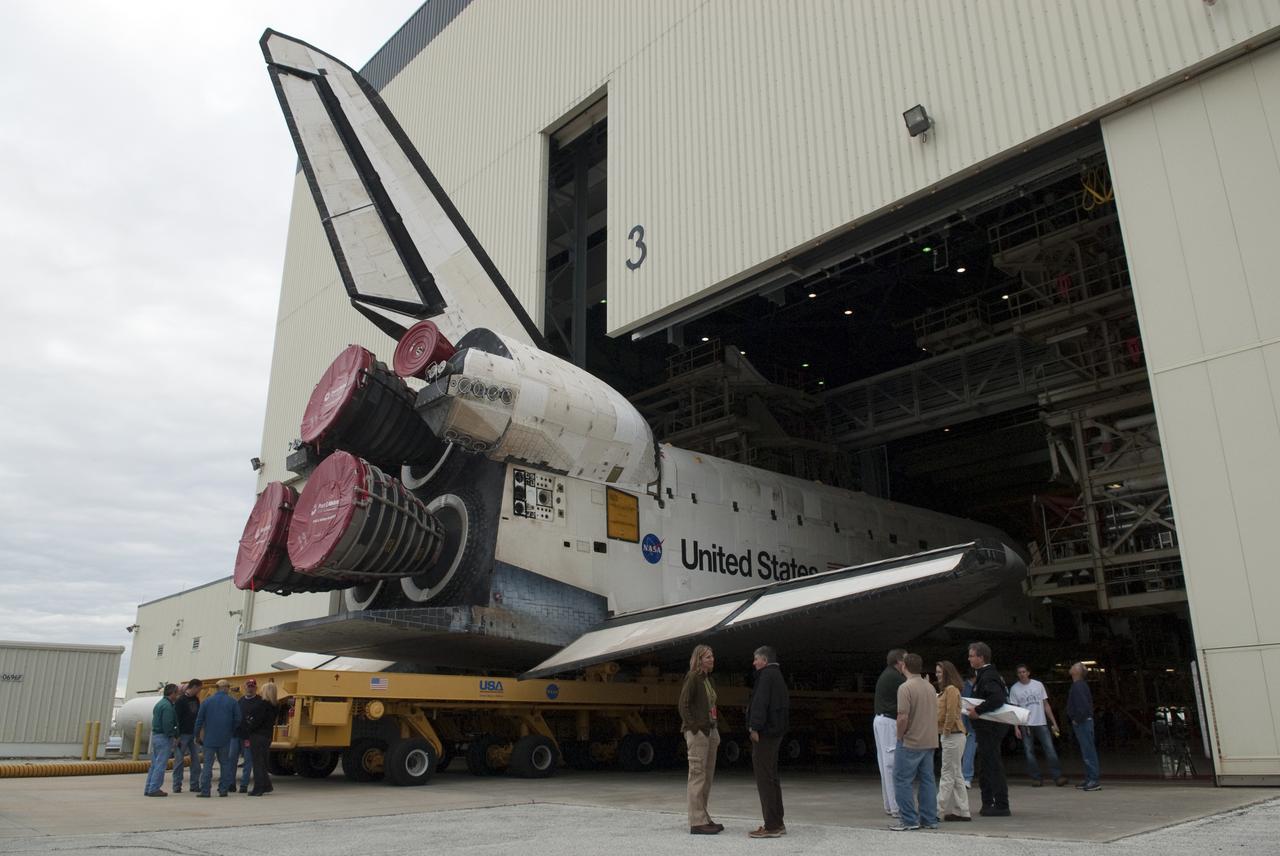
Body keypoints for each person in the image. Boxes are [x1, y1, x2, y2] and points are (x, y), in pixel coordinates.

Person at [890, 653, 939, 831]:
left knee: (901, 779)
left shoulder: (905, 688)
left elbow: (902, 716)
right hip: (930, 739)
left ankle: (909, 819)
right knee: (927, 780)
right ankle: (929, 818)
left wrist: (899, 735)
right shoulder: (930, 687)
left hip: (911, 740)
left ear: (904, 666)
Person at [678, 644, 722, 835]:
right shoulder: (693, 677)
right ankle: (696, 821)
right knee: (697, 775)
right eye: (707, 657)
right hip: (699, 733)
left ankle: (703, 816)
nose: (711, 659)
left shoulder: (708, 680)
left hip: (711, 731)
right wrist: (694, 727)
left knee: (707, 777)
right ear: (698, 660)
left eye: (712, 656)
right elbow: (683, 704)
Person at [746, 645, 790, 839]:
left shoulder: (765, 676)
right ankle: (778, 821)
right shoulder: (778, 675)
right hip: (776, 732)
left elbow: (760, 703)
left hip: (766, 734)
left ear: (764, 660)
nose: (754, 663)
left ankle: (771, 825)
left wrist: (754, 727)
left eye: (756, 659)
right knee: (772, 777)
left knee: (764, 779)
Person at [963, 641, 1011, 817]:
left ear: (981, 657)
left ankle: (1000, 804)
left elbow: (997, 698)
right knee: (987, 766)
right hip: (986, 730)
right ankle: (990, 802)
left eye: (972, 655)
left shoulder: (988, 676)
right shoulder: (985, 675)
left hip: (989, 729)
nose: (969, 659)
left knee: (992, 766)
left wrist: (978, 710)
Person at [1009, 664, 1067, 787]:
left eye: (1024, 672)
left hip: (1041, 722)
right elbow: (1015, 710)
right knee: (1029, 752)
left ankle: (1057, 776)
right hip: (1026, 724)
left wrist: (1054, 722)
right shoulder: (1014, 689)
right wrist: (1016, 727)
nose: (1022, 674)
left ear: (1028, 673)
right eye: (1019, 672)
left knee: (1050, 749)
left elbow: (1046, 704)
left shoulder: (1038, 685)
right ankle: (1036, 778)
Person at [193, 678, 242, 797]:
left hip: (209, 738)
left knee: (207, 765)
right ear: (227, 688)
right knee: (225, 764)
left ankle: (205, 791)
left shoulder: (207, 701)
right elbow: (238, 719)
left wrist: (197, 735)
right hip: (225, 738)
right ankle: (223, 789)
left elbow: (199, 720)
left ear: (217, 688)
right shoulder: (233, 702)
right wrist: (231, 730)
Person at [873, 648, 907, 817]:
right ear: (899, 662)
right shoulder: (896, 678)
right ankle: (896, 806)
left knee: (884, 763)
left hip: (881, 720)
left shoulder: (887, 675)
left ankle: (889, 804)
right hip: (889, 722)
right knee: (891, 764)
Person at [935, 660, 970, 822]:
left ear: (947, 674)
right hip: (955, 735)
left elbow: (950, 713)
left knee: (947, 774)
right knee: (956, 774)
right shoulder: (950, 690)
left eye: (940, 672)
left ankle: (937, 810)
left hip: (952, 735)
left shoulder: (950, 690)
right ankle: (962, 810)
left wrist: (945, 731)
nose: (937, 674)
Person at [1067, 662, 1102, 791]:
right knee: (1086, 750)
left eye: (1074, 666)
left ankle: (1093, 779)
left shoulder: (1078, 686)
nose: (1071, 667)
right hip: (1083, 722)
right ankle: (1089, 777)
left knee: (1088, 751)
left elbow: (1083, 706)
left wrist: (1077, 719)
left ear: (1078, 671)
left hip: (1083, 722)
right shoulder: (1079, 685)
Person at [143, 683, 180, 797]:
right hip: (163, 737)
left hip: (156, 736)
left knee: (154, 764)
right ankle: (154, 788)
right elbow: (168, 724)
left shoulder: (160, 704)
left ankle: (149, 787)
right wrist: (173, 735)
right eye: (176, 693)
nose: (177, 695)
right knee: (161, 764)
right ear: (172, 693)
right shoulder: (168, 707)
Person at [244, 682, 279, 796]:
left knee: (257, 763)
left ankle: (258, 788)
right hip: (267, 735)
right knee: (263, 761)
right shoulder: (275, 705)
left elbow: (255, 721)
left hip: (257, 736)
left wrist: (248, 726)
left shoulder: (262, 705)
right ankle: (266, 785)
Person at [171, 679, 202, 794]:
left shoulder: (196, 700)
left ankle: (194, 784)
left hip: (193, 734)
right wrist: (176, 735)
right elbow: (176, 719)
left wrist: (198, 734)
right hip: (182, 734)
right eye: (199, 689)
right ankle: (176, 785)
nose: (199, 691)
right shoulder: (181, 701)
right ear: (193, 687)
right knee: (179, 760)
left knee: (196, 761)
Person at [232, 678, 260, 793]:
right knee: (232, 759)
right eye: (248, 686)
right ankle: (231, 784)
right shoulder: (240, 701)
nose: (250, 688)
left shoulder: (259, 701)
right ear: (245, 687)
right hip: (236, 734)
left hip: (249, 736)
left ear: (255, 688)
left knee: (248, 761)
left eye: (252, 686)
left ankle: (244, 785)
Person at [961, 671, 977, 787]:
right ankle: (966, 777)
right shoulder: (966, 688)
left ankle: (966, 776)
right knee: (969, 752)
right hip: (970, 726)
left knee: (967, 752)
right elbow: (964, 709)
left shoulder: (965, 687)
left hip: (969, 726)